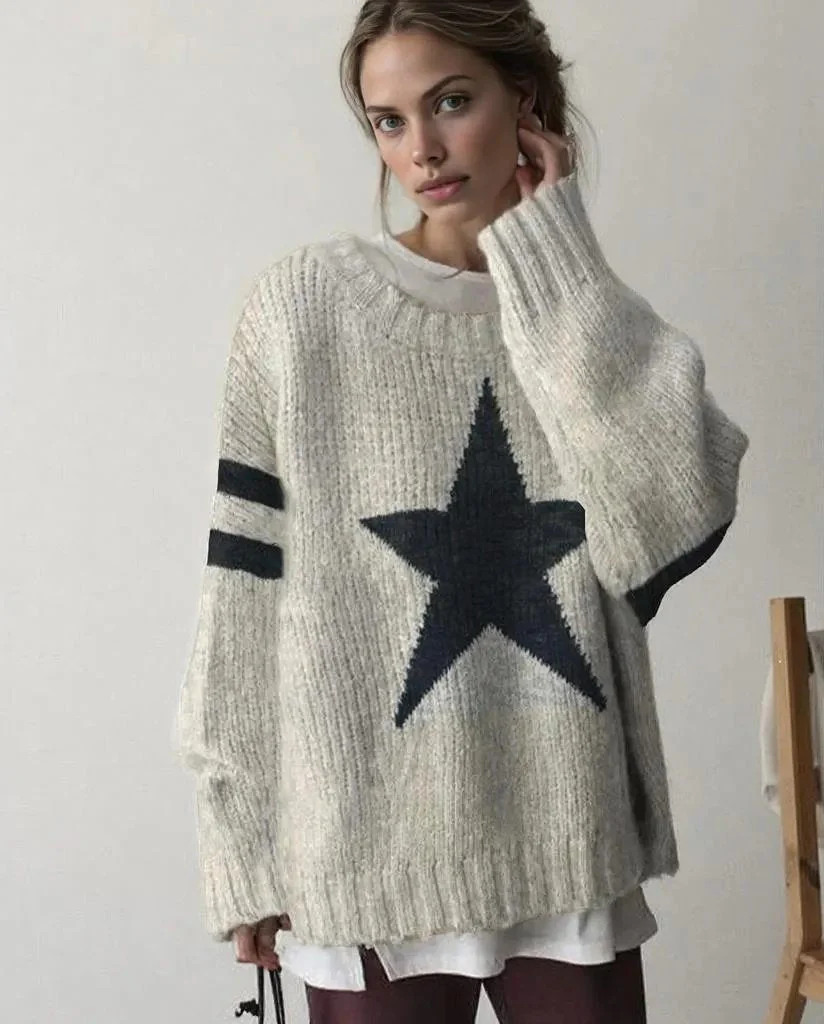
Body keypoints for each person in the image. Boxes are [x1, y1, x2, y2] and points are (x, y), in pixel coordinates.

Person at [173, 2, 750, 1021]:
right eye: (389, 121)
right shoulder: (299, 311)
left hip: (566, 832)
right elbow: (241, 596)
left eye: (450, 102)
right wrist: (241, 842)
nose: (423, 150)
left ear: (522, 100)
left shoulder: (582, 313)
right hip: (363, 853)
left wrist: (556, 258)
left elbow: (668, 522)